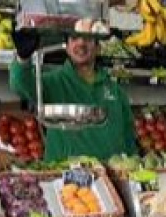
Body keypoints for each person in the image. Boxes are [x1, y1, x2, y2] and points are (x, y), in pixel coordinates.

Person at [9, 32, 138, 162]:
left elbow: (129, 137)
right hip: (63, 175)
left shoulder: (116, 91)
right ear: (67, 48)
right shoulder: (54, 82)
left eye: (87, 38)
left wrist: (133, 169)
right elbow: (20, 84)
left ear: (98, 48)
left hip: (110, 176)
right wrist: (23, 58)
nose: (81, 43)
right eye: (74, 38)